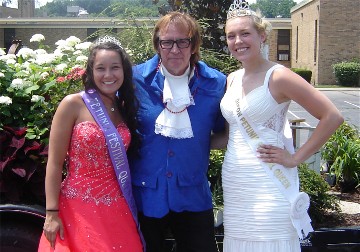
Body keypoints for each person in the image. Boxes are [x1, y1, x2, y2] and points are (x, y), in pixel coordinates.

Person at [213, 0, 344, 251]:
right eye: (231, 36)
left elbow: (332, 116)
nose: (238, 41)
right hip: (236, 180)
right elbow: (231, 136)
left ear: (262, 36)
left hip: (268, 181)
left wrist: (296, 158)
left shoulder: (279, 76)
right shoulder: (231, 79)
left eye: (245, 33)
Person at [130, 11, 226, 252]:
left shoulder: (216, 83)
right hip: (146, 195)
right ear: (157, 45)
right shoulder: (134, 80)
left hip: (193, 193)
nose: (175, 49)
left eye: (183, 41)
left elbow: (224, 132)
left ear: (194, 45)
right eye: (167, 42)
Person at [38, 36, 143, 251]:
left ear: (124, 71)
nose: (108, 75)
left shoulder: (124, 108)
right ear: (91, 72)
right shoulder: (73, 104)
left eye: (115, 67)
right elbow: (55, 163)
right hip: (77, 207)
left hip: (117, 206)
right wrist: (51, 213)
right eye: (100, 68)